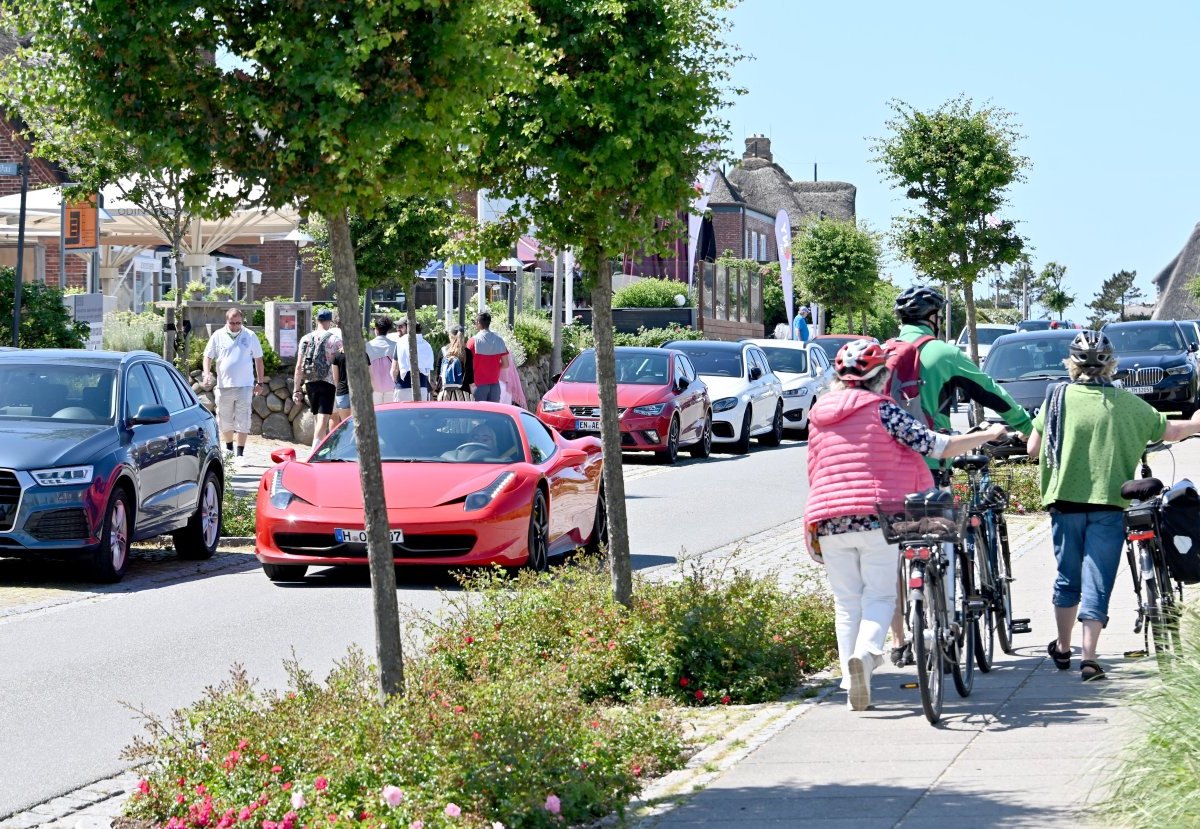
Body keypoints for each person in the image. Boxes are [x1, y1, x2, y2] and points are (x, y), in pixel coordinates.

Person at [804, 339, 1008, 711]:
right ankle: (865, 657)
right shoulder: (883, 410)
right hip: (876, 515)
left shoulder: (818, 414)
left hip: (829, 517)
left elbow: (814, 468)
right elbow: (936, 446)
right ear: (882, 376)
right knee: (880, 596)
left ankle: (853, 682)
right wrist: (988, 434)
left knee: (846, 602)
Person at [1026, 330, 1200, 681]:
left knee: (1067, 577)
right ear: (1112, 365)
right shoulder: (1127, 403)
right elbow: (1169, 431)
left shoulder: (1057, 399)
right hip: (1110, 503)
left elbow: (1032, 449)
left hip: (1064, 504)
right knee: (1098, 579)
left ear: (1071, 365)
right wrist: (1196, 423)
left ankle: (1062, 647)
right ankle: (1088, 658)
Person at [201, 308, 265, 458]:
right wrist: (206, 373)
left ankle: (240, 454)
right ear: (226, 321)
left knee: (244, 419)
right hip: (224, 386)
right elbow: (207, 356)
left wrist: (260, 382)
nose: (236, 326)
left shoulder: (250, 335)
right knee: (224, 419)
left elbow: (258, 359)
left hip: (245, 385)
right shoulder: (218, 335)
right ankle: (229, 449)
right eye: (232, 323)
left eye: (238, 323)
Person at [292, 309, 341, 450]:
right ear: (329, 322)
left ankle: (319, 446)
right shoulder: (335, 340)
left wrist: (296, 389)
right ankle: (315, 450)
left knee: (316, 417)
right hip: (328, 382)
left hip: (310, 381)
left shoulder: (305, 339)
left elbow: (299, 366)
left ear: (316, 320)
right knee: (323, 417)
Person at [467, 311, 510, 402]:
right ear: (489, 323)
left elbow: (467, 365)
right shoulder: (499, 341)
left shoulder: (472, 342)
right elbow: (506, 364)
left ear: (478, 323)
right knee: (493, 414)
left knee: (478, 414)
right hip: (495, 385)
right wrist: (495, 367)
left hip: (478, 385)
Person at [392, 320, 435, 402]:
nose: (398, 329)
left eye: (401, 327)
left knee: (401, 414)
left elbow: (394, 369)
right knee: (420, 414)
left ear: (409, 328)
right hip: (422, 386)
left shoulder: (401, 342)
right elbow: (428, 370)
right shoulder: (426, 344)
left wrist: (396, 383)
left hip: (403, 386)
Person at [438, 325, 474, 402]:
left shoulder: (443, 351)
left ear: (450, 336)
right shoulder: (467, 352)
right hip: (464, 393)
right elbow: (470, 377)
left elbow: (439, 375)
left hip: (445, 393)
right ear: (463, 336)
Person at [366, 316, 395, 405]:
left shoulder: (367, 346)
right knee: (390, 413)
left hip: (373, 387)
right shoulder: (395, 346)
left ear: (376, 329)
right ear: (388, 330)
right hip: (391, 386)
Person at [330, 340, 351, 428]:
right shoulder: (363, 355)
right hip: (359, 393)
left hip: (342, 391)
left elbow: (336, 378)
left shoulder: (337, 355)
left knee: (346, 425)